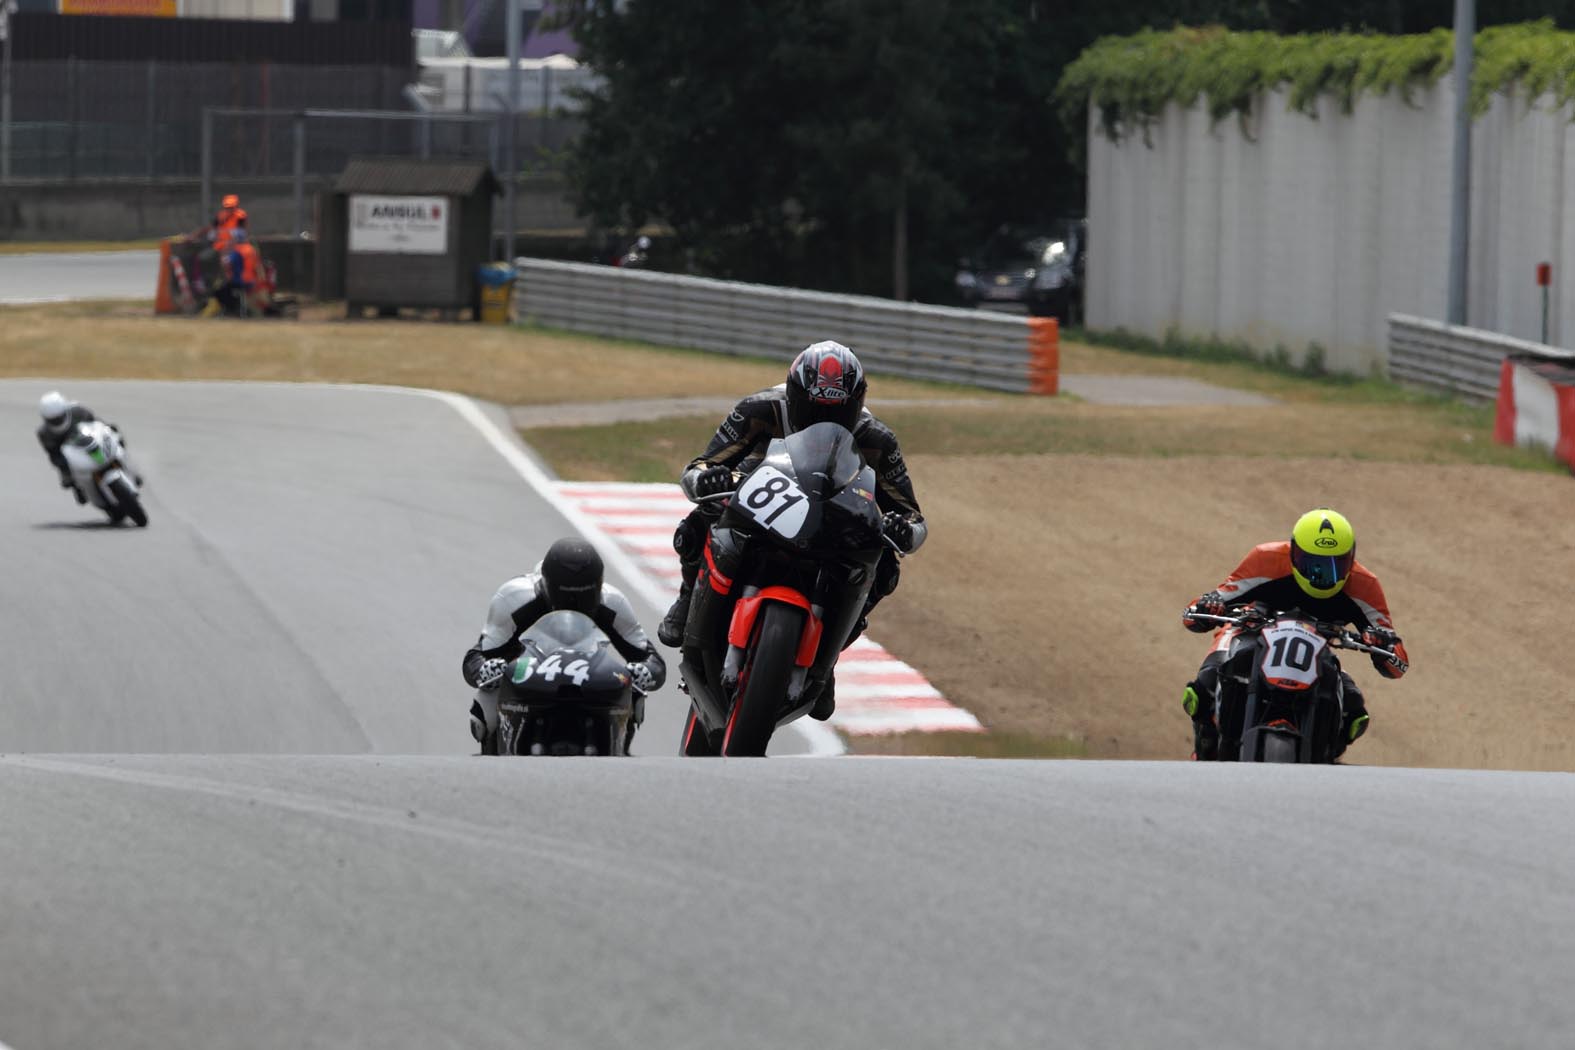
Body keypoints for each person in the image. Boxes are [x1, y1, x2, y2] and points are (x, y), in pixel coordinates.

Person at [656, 340, 927, 720]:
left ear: (856, 404)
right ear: (795, 396)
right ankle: (688, 598)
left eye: (836, 412)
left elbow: (912, 515)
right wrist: (707, 479)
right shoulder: (759, 409)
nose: (824, 421)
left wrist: (902, 528)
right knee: (700, 520)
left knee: (884, 568)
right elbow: (700, 466)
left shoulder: (876, 439)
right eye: (814, 410)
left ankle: (828, 655)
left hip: (832, 522)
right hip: (761, 506)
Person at [1180, 508, 1409, 761]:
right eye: (1313, 563)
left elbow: (1398, 662)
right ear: (1294, 553)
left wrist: (1382, 644)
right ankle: (1205, 745)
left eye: (1336, 564)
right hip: (1250, 630)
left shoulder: (1364, 584)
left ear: (1351, 559)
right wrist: (1207, 606)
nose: (1322, 574)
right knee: (1209, 678)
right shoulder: (1265, 559)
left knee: (1354, 709)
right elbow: (1204, 606)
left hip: (1316, 649)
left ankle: (1325, 753)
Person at [462, 537, 666, 753]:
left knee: (633, 689)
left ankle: (617, 749)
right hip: (527, 678)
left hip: (592, 680)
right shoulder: (514, 598)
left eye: (585, 595)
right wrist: (486, 670)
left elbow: (652, 659)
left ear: (598, 586)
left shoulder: (613, 602)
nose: (575, 604)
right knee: (486, 697)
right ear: (547, 584)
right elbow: (476, 657)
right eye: (566, 595)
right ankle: (492, 751)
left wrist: (643, 672)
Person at [36, 391, 139, 502]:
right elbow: (53, 453)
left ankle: (132, 471)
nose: (57, 421)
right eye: (53, 420)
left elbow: (96, 423)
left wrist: (108, 429)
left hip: (91, 443)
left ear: (65, 410)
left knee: (114, 433)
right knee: (63, 468)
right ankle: (78, 488)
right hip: (73, 453)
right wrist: (64, 469)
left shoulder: (78, 411)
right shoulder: (45, 433)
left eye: (59, 417)